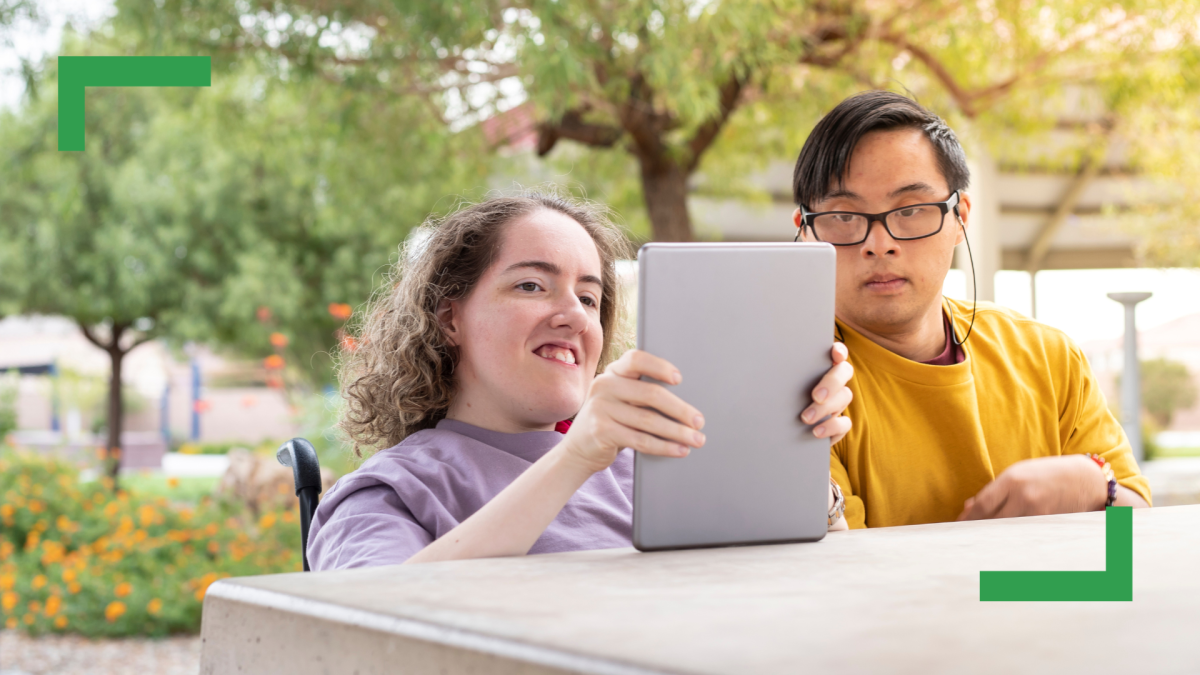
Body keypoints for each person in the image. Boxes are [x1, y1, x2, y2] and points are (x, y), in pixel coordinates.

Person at [307, 192, 854, 569]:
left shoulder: (652, 470)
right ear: (450, 318)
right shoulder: (392, 490)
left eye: (589, 297)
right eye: (530, 286)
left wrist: (797, 467)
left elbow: (783, 595)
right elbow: (372, 632)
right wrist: (574, 458)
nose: (573, 313)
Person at [791, 91, 1151, 529]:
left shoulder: (1047, 358)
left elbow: (1124, 564)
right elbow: (837, 584)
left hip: (1040, 602)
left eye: (911, 210)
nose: (878, 242)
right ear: (806, 232)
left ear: (959, 217)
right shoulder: (796, 379)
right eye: (844, 216)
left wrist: (1101, 489)